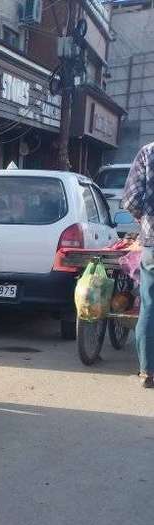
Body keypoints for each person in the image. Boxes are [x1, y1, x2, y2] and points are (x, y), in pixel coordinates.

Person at [123, 141, 154, 389]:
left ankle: (147, 371)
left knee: (150, 306)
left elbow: (132, 199)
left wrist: (145, 220)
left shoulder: (148, 151)